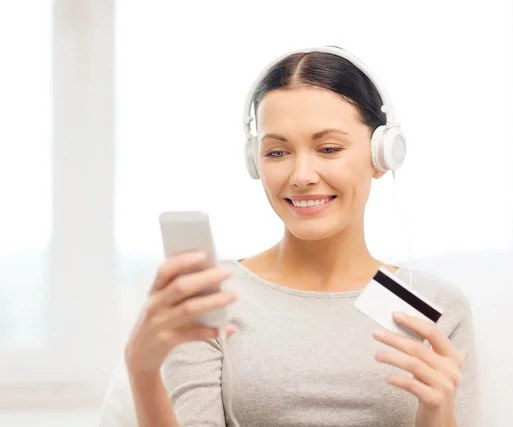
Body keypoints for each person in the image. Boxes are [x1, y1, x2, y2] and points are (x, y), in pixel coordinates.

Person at [121, 46, 477, 427]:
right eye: (277, 153)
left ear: (381, 155)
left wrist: (437, 415)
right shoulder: (215, 295)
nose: (302, 175)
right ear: (255, 161)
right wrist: (142, 375)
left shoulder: (429, 307)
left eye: (328, 149)